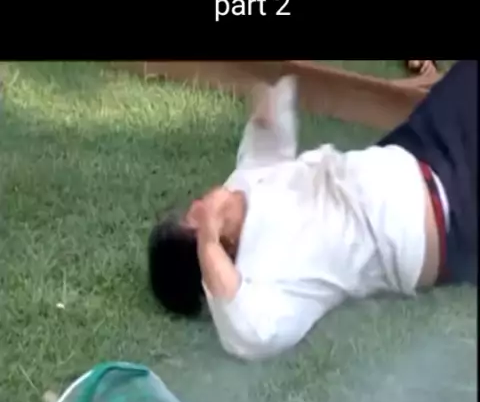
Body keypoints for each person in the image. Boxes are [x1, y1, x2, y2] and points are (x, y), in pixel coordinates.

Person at [148, 60, 477, 361]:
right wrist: (208, 242)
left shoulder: (240, 188)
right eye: (195, 219)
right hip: (449, 214)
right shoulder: (269, 280)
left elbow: (264, 152)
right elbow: (249, 334)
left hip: (415, 150)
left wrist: (268, 110)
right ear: (215, 260)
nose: (199, 204)